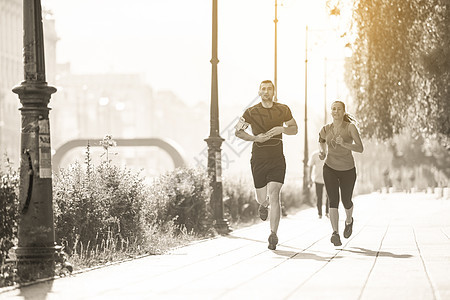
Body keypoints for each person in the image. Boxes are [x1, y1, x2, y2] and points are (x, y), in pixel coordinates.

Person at [235, 80, 298, 250]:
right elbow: (238, 131)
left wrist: (282, 129)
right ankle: (263, 205)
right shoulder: (251, 112)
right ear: (259, 92)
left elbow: (294, 128)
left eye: (269, 89)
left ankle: (273, 234)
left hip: (277, 159)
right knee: (262, 198)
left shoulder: (283, 109)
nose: (266, 91)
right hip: (258, 159)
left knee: (275, 194)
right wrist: (256, 138)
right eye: (263, 89)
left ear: (274, 91)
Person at [318, 100, 364, 246]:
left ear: (343, 112)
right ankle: (335, 233)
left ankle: (349, 220)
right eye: (333, 109)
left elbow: (360, 148)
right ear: (330, 112)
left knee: (346, 200)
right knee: (333, 200)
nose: (336, 111)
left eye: (338, 109)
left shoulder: (350, 127)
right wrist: (322, 152)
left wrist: (344, 144)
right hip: (330, 167)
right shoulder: (326, 128)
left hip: (348, 169)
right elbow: (321, 140)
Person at [308, 149, 329, 218]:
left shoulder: (329, 154)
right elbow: (310, 166)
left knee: (328, 196)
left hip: (328, 178)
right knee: (319, 196)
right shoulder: (315, 154)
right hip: (318, 179)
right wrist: (309, 178)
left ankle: (327, 212)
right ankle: (319, 213)